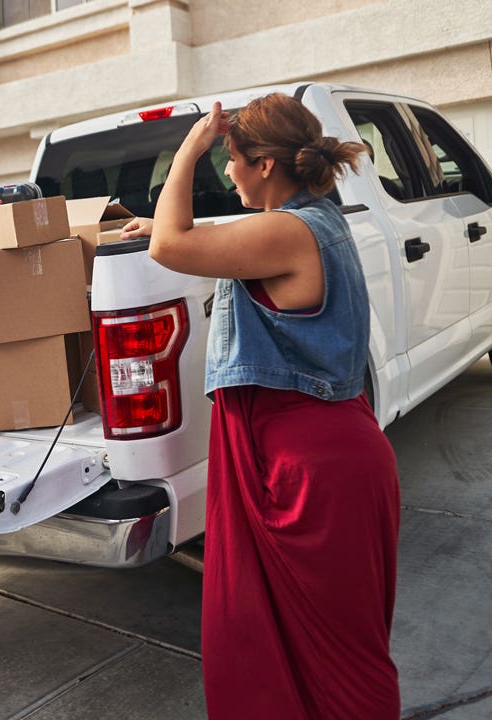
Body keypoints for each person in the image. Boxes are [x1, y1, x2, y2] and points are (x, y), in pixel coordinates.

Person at [122, 94, 401, 718]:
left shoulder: (286, 233)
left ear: (265, 165)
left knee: (341, 661)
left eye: (231, 159)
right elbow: (204, 234)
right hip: (322, 455)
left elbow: (170, 246)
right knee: (319, 648)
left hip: (307, 471)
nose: (226, 172)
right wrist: (156, 221)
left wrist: (189, 147)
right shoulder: (312, 220)